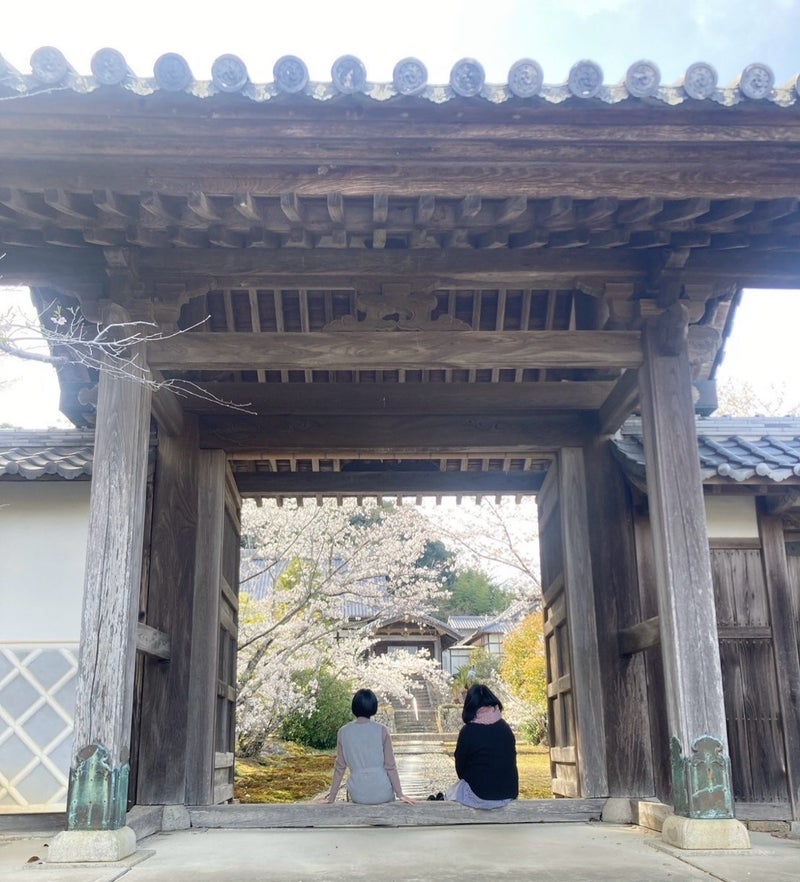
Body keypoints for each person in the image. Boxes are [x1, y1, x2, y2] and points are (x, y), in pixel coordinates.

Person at [315, 688, 416, 805]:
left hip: (358, 794)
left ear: (354, 706)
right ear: (373, 707)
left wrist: (331, 798)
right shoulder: (382, 730)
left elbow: (340, 768)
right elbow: (390, 766)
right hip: (382, 792)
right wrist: (400, 794)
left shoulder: (343, 732)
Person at [445, 683, 518, 809]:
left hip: (481, 795)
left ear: (470, 706)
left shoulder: (468, 731)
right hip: (509, 794)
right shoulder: (505, 728)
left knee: (451, 793)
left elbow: (460, 767)